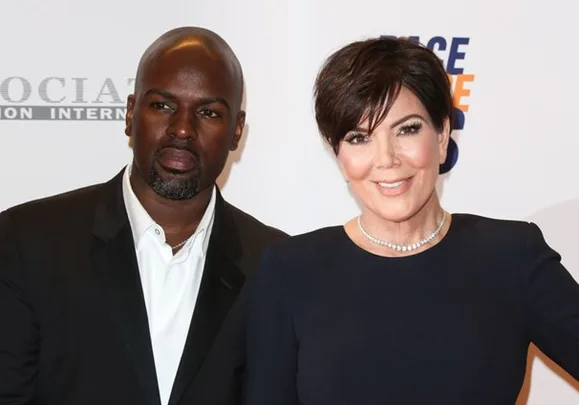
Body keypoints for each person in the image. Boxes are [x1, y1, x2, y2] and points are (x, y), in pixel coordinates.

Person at [244, 36, 579, 404]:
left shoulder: (513, 256)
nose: (387, 158)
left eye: (407, 129)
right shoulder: (290, 270)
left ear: (442, 135)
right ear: (338, 154)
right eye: (359, 138)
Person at [0, 27, 286, 405]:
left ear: (236, 132)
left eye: (208, 112)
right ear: (130, 113)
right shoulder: (27, 241)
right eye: (162, 106)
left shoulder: (276, 265)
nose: (182, 129)